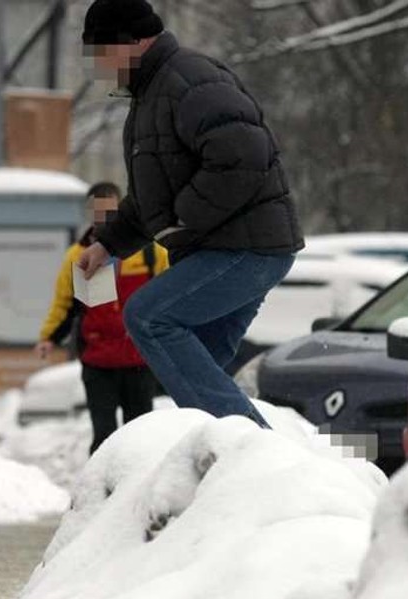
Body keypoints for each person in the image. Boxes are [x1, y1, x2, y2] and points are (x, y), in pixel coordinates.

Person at [77, 0, 304, 428]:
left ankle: (253, 451)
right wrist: (108, 244)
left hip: (245, 248)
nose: (101, 66)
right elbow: (151, 199)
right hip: (228, 248)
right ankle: (216, 463)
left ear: (136, 41)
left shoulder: (190, 80)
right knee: (193, 369)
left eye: (104, 52)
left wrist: (184, 218)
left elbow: (243, 158)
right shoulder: (149, 97)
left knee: (148, 316)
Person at [37, 181, 170, 454]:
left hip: (138, 359)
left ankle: (137, 488)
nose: (104, 219)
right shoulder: (78, 256)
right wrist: (49, 337)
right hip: (98, 362)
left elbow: (170, 295)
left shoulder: (149, 254)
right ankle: (101, 489)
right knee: (104, 436)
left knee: (140, 436)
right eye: (97, 212)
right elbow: (67, 304)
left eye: (110, 211)